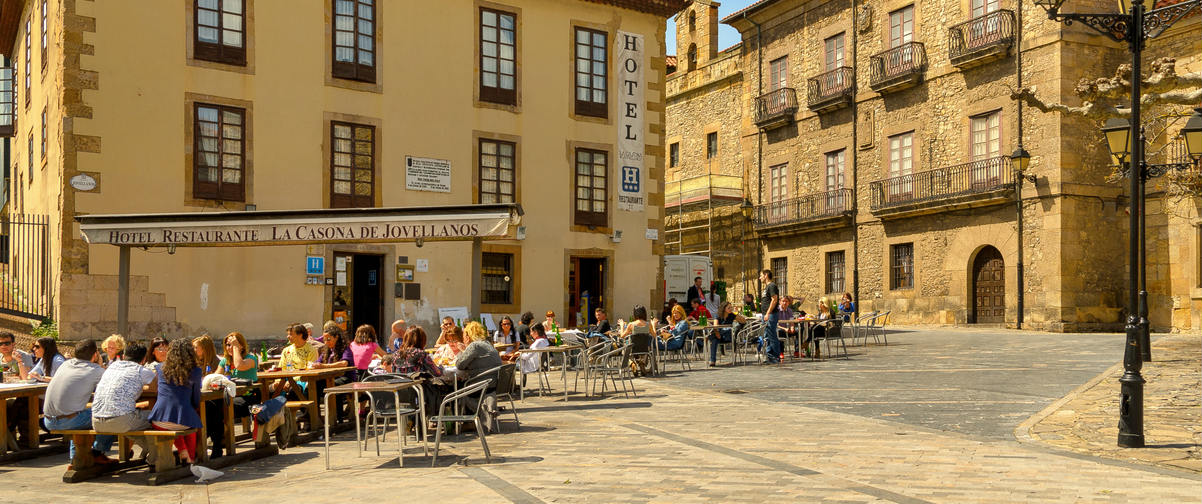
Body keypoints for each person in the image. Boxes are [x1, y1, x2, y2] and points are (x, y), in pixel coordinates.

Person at [41, 339, 112, 467]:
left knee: (78, 413)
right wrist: (100, 365)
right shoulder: (96, 370)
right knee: (110, 415)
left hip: (48, 421)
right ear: (95, 354)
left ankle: (75, 459)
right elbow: (112, 388)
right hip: (68, 421)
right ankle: (97, 452)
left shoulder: (65, 364)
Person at [91, 341, 158, 465]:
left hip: (95, 421)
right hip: (121, 421)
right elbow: (156, 389)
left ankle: (149, 450)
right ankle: (156, 458)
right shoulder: (142, 371)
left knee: (131, 418)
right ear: (144, 359)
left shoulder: (111, 367)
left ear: (123, 356)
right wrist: (140, 387)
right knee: (155, 418)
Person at [148, 339, 203, 464]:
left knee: (174, 421)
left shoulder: (160, 368)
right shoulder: (195, 371)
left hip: (159, 420)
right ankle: (190, 457)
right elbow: (196, 399)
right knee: (189, 424)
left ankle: (183, 451)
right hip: (183, 421)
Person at [218, 332, 259, 421]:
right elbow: (216, 377)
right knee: (211, 405)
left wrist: (235, 347)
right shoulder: (225, 361)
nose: (230, 348)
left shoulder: (251, 359)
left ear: (242, 346)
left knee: (224, 405)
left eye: (233, 345)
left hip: (249, 396)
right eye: (228, 345)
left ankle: (226, 434)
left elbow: (239, 365)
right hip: (232, 395)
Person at [760, 269, 781, 364]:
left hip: (771, 315)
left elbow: (774, 300)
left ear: (766, 275)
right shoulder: (767, 287)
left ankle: (775, 356)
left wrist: (768, 313)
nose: (759, 278)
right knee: (767, 335)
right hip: (765, 314)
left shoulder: (772, 286)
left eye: (761, 275)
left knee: (772, 335)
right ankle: (769, 355)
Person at [707, 302, 738, 367]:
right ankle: (713, 361)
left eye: (731, 307)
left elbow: (743, 321)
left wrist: (737, 314)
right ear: (724, 309)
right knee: (715, 339)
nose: (730, 309)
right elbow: (715, 326)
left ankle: (708, 337)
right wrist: (717, 333)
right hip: (719, 336)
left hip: (727, 336)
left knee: (727, 330)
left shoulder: (732, 315)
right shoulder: (717, 315)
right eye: (729, 308)